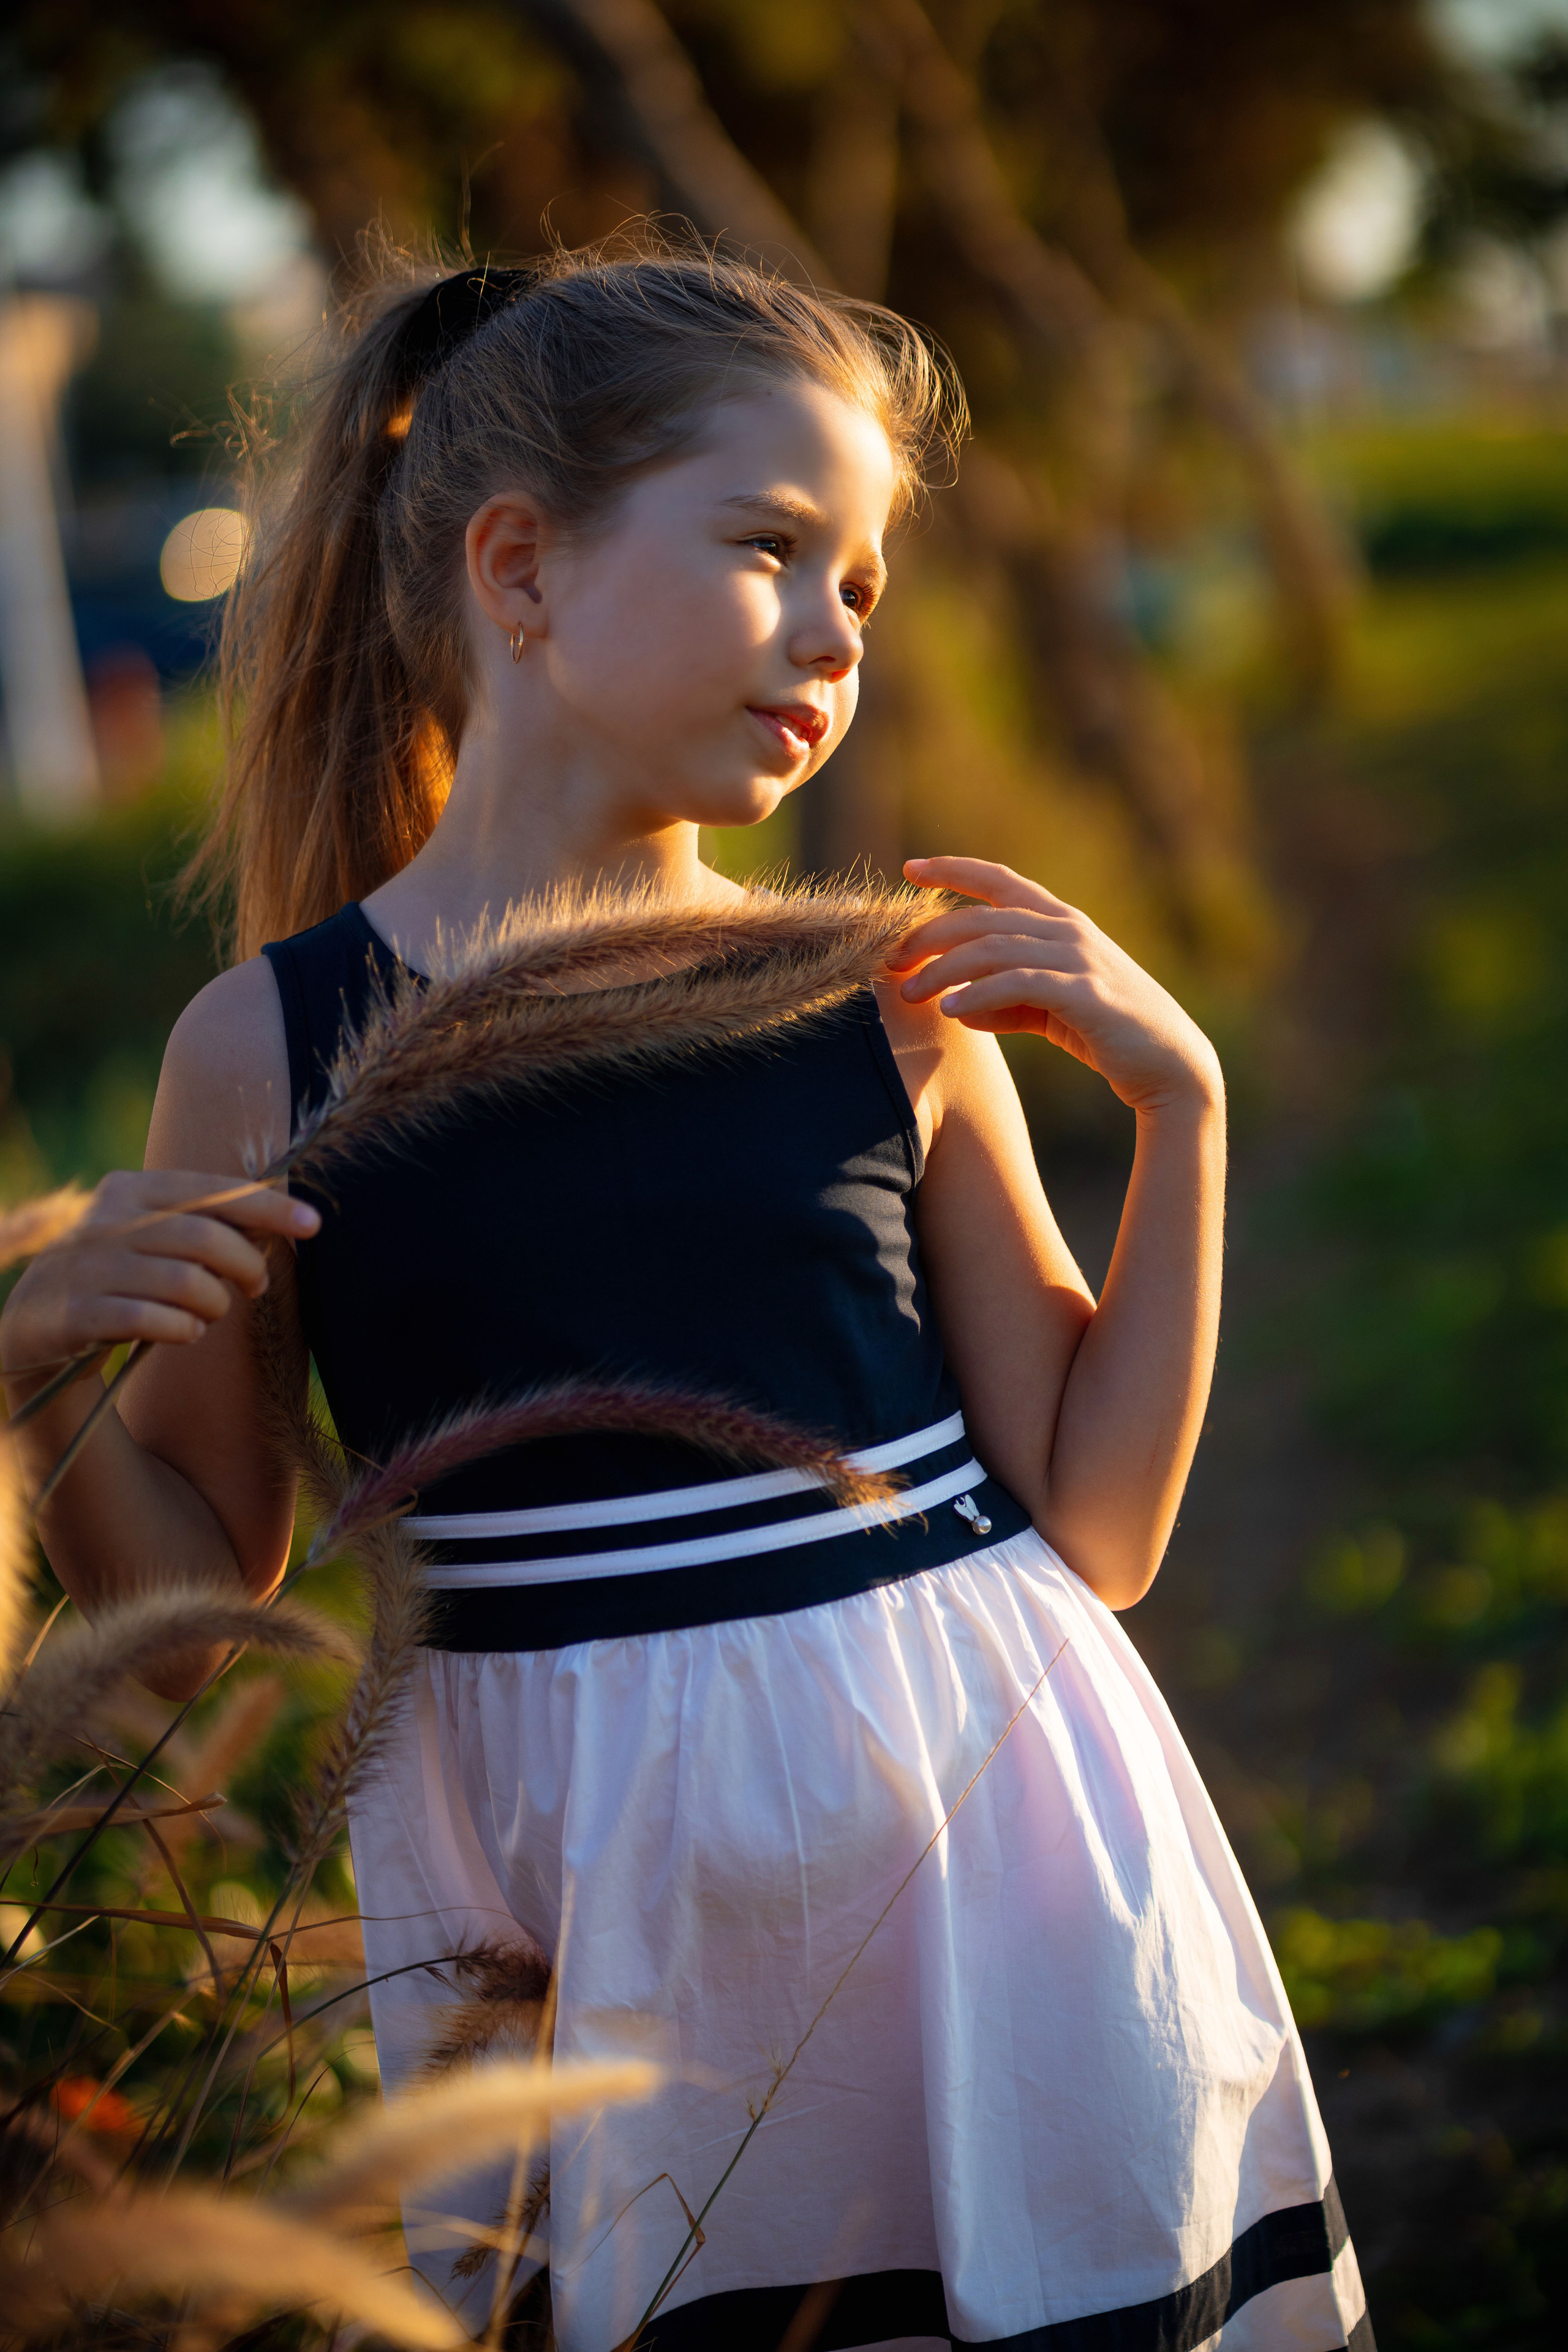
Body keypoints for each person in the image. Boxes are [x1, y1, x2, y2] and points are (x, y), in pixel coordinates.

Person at [1, 239, 1370, 2351]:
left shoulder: (878, 997)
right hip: (574, 1948)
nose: (835, 626)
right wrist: (34, 1392)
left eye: (865, 585)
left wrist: (1180, 1109)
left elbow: (1098, 1528)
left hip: (986, 1897)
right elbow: (191, 1611)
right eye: (771, 545)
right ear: (521, 571)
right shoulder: (265, 1047)